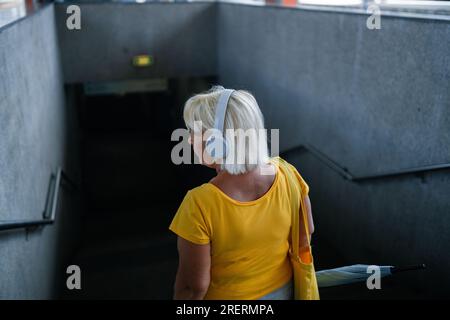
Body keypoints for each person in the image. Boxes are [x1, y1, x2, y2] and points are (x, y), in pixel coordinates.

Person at [169, 86, 314, 300]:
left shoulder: (199, 203)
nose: (189, 139)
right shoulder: (289, 174)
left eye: (194, 132)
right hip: (285, 292)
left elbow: (193, 288)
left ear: (217, 142)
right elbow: (305, 235)